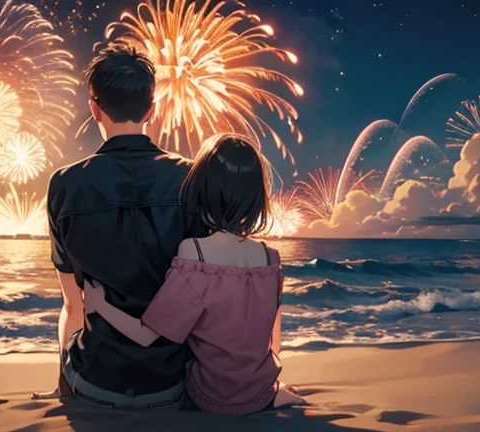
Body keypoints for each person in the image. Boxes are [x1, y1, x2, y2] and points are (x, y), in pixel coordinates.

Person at [84, 134, 304, 416]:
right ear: (256, 198)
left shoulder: (195, 254)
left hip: (211, 397)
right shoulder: (270, 259)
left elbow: (146, 335)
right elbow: (274, 342)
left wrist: (98, 304)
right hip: (261, 393)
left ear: (202, 188)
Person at [44, 42, 206, 408]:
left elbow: (73, 304)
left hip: (96, 381)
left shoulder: (65, 185)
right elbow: (204, 292)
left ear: (94, 109)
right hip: (172, 382)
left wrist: (64, 385)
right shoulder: (192, 178)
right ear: (152, 109)